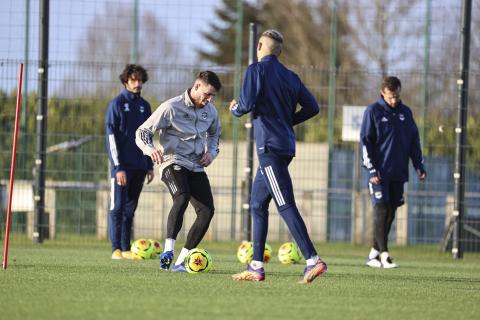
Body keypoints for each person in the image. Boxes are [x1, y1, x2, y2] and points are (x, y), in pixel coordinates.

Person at [229, 29, 327, 283]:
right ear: (280, 51)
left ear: (260, 45)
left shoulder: (255, 71)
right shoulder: (290, 76)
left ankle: (312, 259)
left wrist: (234, 108)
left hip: (269, 149)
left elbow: (246, 105)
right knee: (258, 204)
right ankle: (256, 266)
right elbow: (313, 107)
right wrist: (288, 121)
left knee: (285, 204)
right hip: (284, 145)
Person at [135, 71, 222, 272]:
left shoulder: (211, 112)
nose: (208, 100)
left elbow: (215, 135)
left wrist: (211, 153)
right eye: (207, 94)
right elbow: (142, 132)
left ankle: (182, 261)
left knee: (207, 211)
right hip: (172, 161)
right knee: (182, 196)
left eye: (212, 96)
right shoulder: (170, 107)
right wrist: (150, 149)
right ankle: (168, 252)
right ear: (197, 86)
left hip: (196, 165)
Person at [360, 76, 426, 268]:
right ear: (383, 93)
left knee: (390, 212)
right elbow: (365, 142)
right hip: (378, 174)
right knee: (380, 210)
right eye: (390, 97)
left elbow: (414, 142)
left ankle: (373, 253)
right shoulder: (373, 111)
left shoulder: (406, 113)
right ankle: (385, 256)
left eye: (396, 96)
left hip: (398, 172)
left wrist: (419, 166)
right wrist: (371, 168)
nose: (394, 100)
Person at [106, 64, 154, 260]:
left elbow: (148, 136)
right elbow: (111, 137)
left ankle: (126, 248)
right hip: (122, 168)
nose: (138, 83)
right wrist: (118, 167)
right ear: (126, 81)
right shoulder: (116, 104)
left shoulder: (145, 106)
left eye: (140, 80)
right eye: (134, 80)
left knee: (130, 209)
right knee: (117, 207)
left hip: (140, 167)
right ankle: (115, 248)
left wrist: (150, 164)